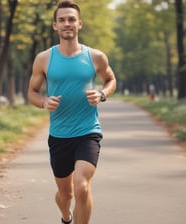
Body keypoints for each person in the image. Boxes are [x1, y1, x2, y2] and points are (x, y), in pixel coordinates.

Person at [28, 1, 116, 223]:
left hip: (88, 132)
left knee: (82, 187)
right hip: (59, 135)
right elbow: (32, 92)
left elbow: (110, 80)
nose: (67, 23)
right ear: (55, 26)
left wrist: (102, 94)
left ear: (79, 24)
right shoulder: (44, 59)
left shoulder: (95, 57)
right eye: (62, 20)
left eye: (71, 19)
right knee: (65, 195)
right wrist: (43, 102)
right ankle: (65, 215)